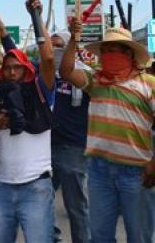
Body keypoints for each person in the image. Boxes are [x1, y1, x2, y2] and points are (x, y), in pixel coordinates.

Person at [60, 21, 155, 242]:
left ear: (130, 55)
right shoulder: (95, 81)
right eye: (106, 50)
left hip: (138, 173)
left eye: (116, 50)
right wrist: (74, 39)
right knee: (100, 236)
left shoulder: (149, 84)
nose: (110, 55)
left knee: (139, 237)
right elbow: (66, 71)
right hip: (99, 171)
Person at [0, 0, 55, 243]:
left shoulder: (41, 92)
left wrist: (37, 17)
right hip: (2, 187)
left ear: (27, 71)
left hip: (36, 187)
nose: (11, 72)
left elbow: (49, 60)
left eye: (17, 68)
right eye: (7, 68)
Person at [50, 30, 91, 243]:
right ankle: (54, 237)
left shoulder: (83, 75)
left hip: (74, 148)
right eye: (52, 46)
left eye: (59, 46)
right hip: (46, 147)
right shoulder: (46, 74)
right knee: (43, 201)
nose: (55, 50)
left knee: (76, 207)